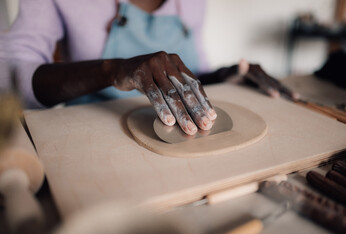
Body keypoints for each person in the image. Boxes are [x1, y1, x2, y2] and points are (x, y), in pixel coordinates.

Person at [0, 0, 297, 135]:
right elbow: (8, 76)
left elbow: (191, 70)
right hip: (94, 138)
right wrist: (112, 70)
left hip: (180, 140)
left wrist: (223, 75)